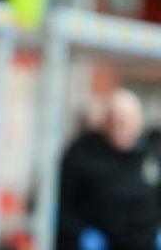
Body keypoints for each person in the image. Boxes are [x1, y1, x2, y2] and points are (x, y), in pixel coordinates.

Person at [57, 88, 161, 250]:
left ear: (139, 122)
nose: (122, 127)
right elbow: (63, 204)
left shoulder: (152, 155)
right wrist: (79, 234)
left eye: (129, 120)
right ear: (105, 122)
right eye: (116, 120)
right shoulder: (82, 153)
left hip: (144, 241)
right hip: (101, 240)